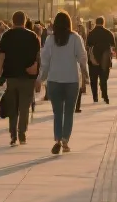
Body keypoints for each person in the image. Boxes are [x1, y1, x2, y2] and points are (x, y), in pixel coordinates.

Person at [36, 11, 89, 155]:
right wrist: (86, 75)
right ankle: (65, 140)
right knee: (69, 112)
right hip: (72, 80)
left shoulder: (50, 40)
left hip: (54, 81)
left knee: (57, 113)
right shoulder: (75, 38)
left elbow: (45, 62)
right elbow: (82, 58)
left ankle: (57, 139)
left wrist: (40, 79)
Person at [0, 11, 40, 146]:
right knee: (24, 107)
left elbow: (1, 56)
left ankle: (13, 134)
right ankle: (22, 133)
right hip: (28, 78)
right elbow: (38, 58)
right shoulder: (33, 36)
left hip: (11, 77)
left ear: (13, 21)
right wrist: (38, 77)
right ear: (25, 21)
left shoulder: (7, 35)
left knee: (13, 107)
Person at [85, 17, 114, 105]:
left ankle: (95, 97)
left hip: (93, 60)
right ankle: (105, 96)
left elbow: (88, 46)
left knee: (93, 79)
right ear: (103, 22)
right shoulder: (108, 33)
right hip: (105, 60)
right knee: (103, 79)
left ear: (95, 22)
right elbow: (113, 45)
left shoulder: (91, 33)